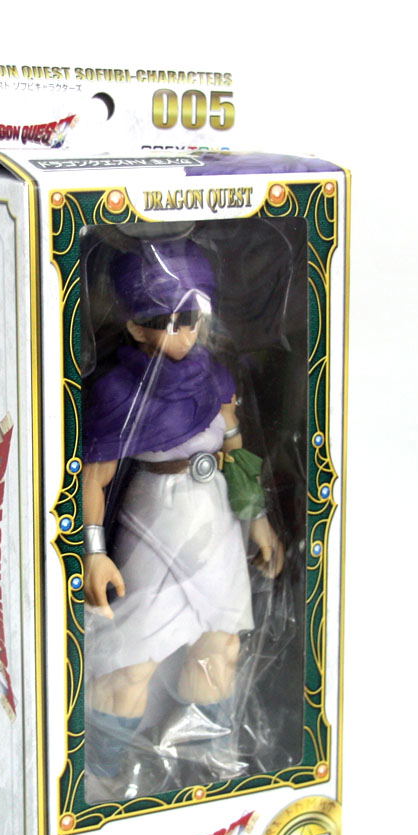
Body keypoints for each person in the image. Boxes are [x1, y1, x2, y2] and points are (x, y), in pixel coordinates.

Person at [81, 237, 284, 802]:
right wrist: (94, 554)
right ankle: (101, 780)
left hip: (214, 516)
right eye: (168, 321)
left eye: (191, 318)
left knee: (221, 648)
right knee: (130, 663)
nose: (185, 333)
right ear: (137, 326)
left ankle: (208, 768)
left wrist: (258, 520)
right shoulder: (117, 389)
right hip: (155, 515)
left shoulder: (215, 377)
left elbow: (237, 453)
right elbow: (93, 479)